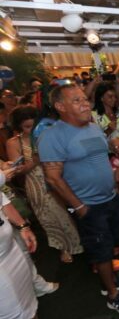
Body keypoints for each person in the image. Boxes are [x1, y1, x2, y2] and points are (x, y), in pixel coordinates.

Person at [38, 84, 119, 315]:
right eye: (77, 100)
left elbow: (101, 158)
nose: (85, 103)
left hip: (111, 197)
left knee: (113, 243)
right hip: (88, 205)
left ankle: (111, 280)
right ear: (60, 106)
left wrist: (117, 151)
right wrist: (80, 207)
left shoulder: (93, 127)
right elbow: (53, 179)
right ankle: (112, 295)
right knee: (101, 251)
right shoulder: (52, 136)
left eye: (85, 98)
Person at [7, 106, 83, 263]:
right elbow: (18, 170)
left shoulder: (48, 133)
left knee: (73, 210)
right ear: (18, 127)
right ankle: (64, 247)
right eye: (27, 127)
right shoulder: (14, 143)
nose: (31, 130)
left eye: (33, 125)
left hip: (60, 176)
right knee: (50, 216)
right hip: (36, 182)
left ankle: (82, 241)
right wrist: (36, 158)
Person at [0, 166, 57, 319]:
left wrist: (22, 225)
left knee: (29, 301)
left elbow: (3, 200)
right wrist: (2, 176)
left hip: (10, 251)